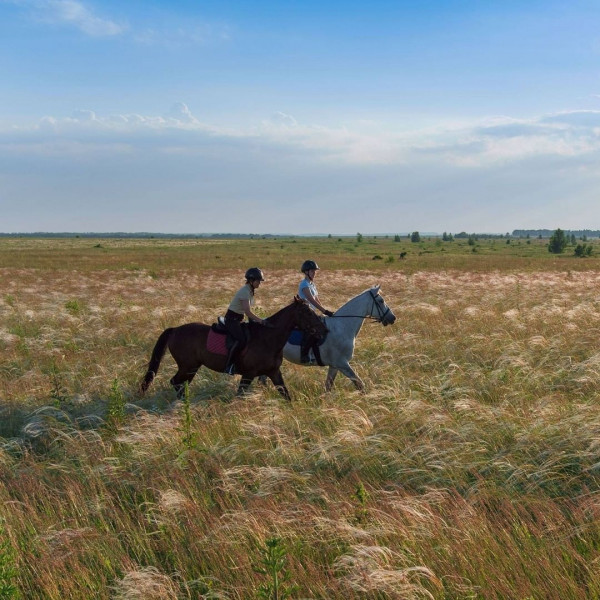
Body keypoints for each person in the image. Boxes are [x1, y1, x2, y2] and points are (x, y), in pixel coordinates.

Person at [223, 267, 266, 375]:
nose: (259, 284)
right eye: (258, 281)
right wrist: (260, 321)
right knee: (241, 340)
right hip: (232, 320)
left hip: (239, 320)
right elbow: (248, 312)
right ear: (251, 280)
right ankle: (230, 365)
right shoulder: (245, 291)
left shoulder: (250, 291)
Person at [298, 260, 333, 364]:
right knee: (313, 331)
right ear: (306, 272)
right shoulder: (304, 284)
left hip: (311, 313)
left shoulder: (312, 284)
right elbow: (311, 300)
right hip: (304, 313)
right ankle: (304, 354)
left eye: (315, 271)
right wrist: (325, 311)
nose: (314, 273)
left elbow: (316, 299)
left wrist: (323, 310)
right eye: (312, 271)